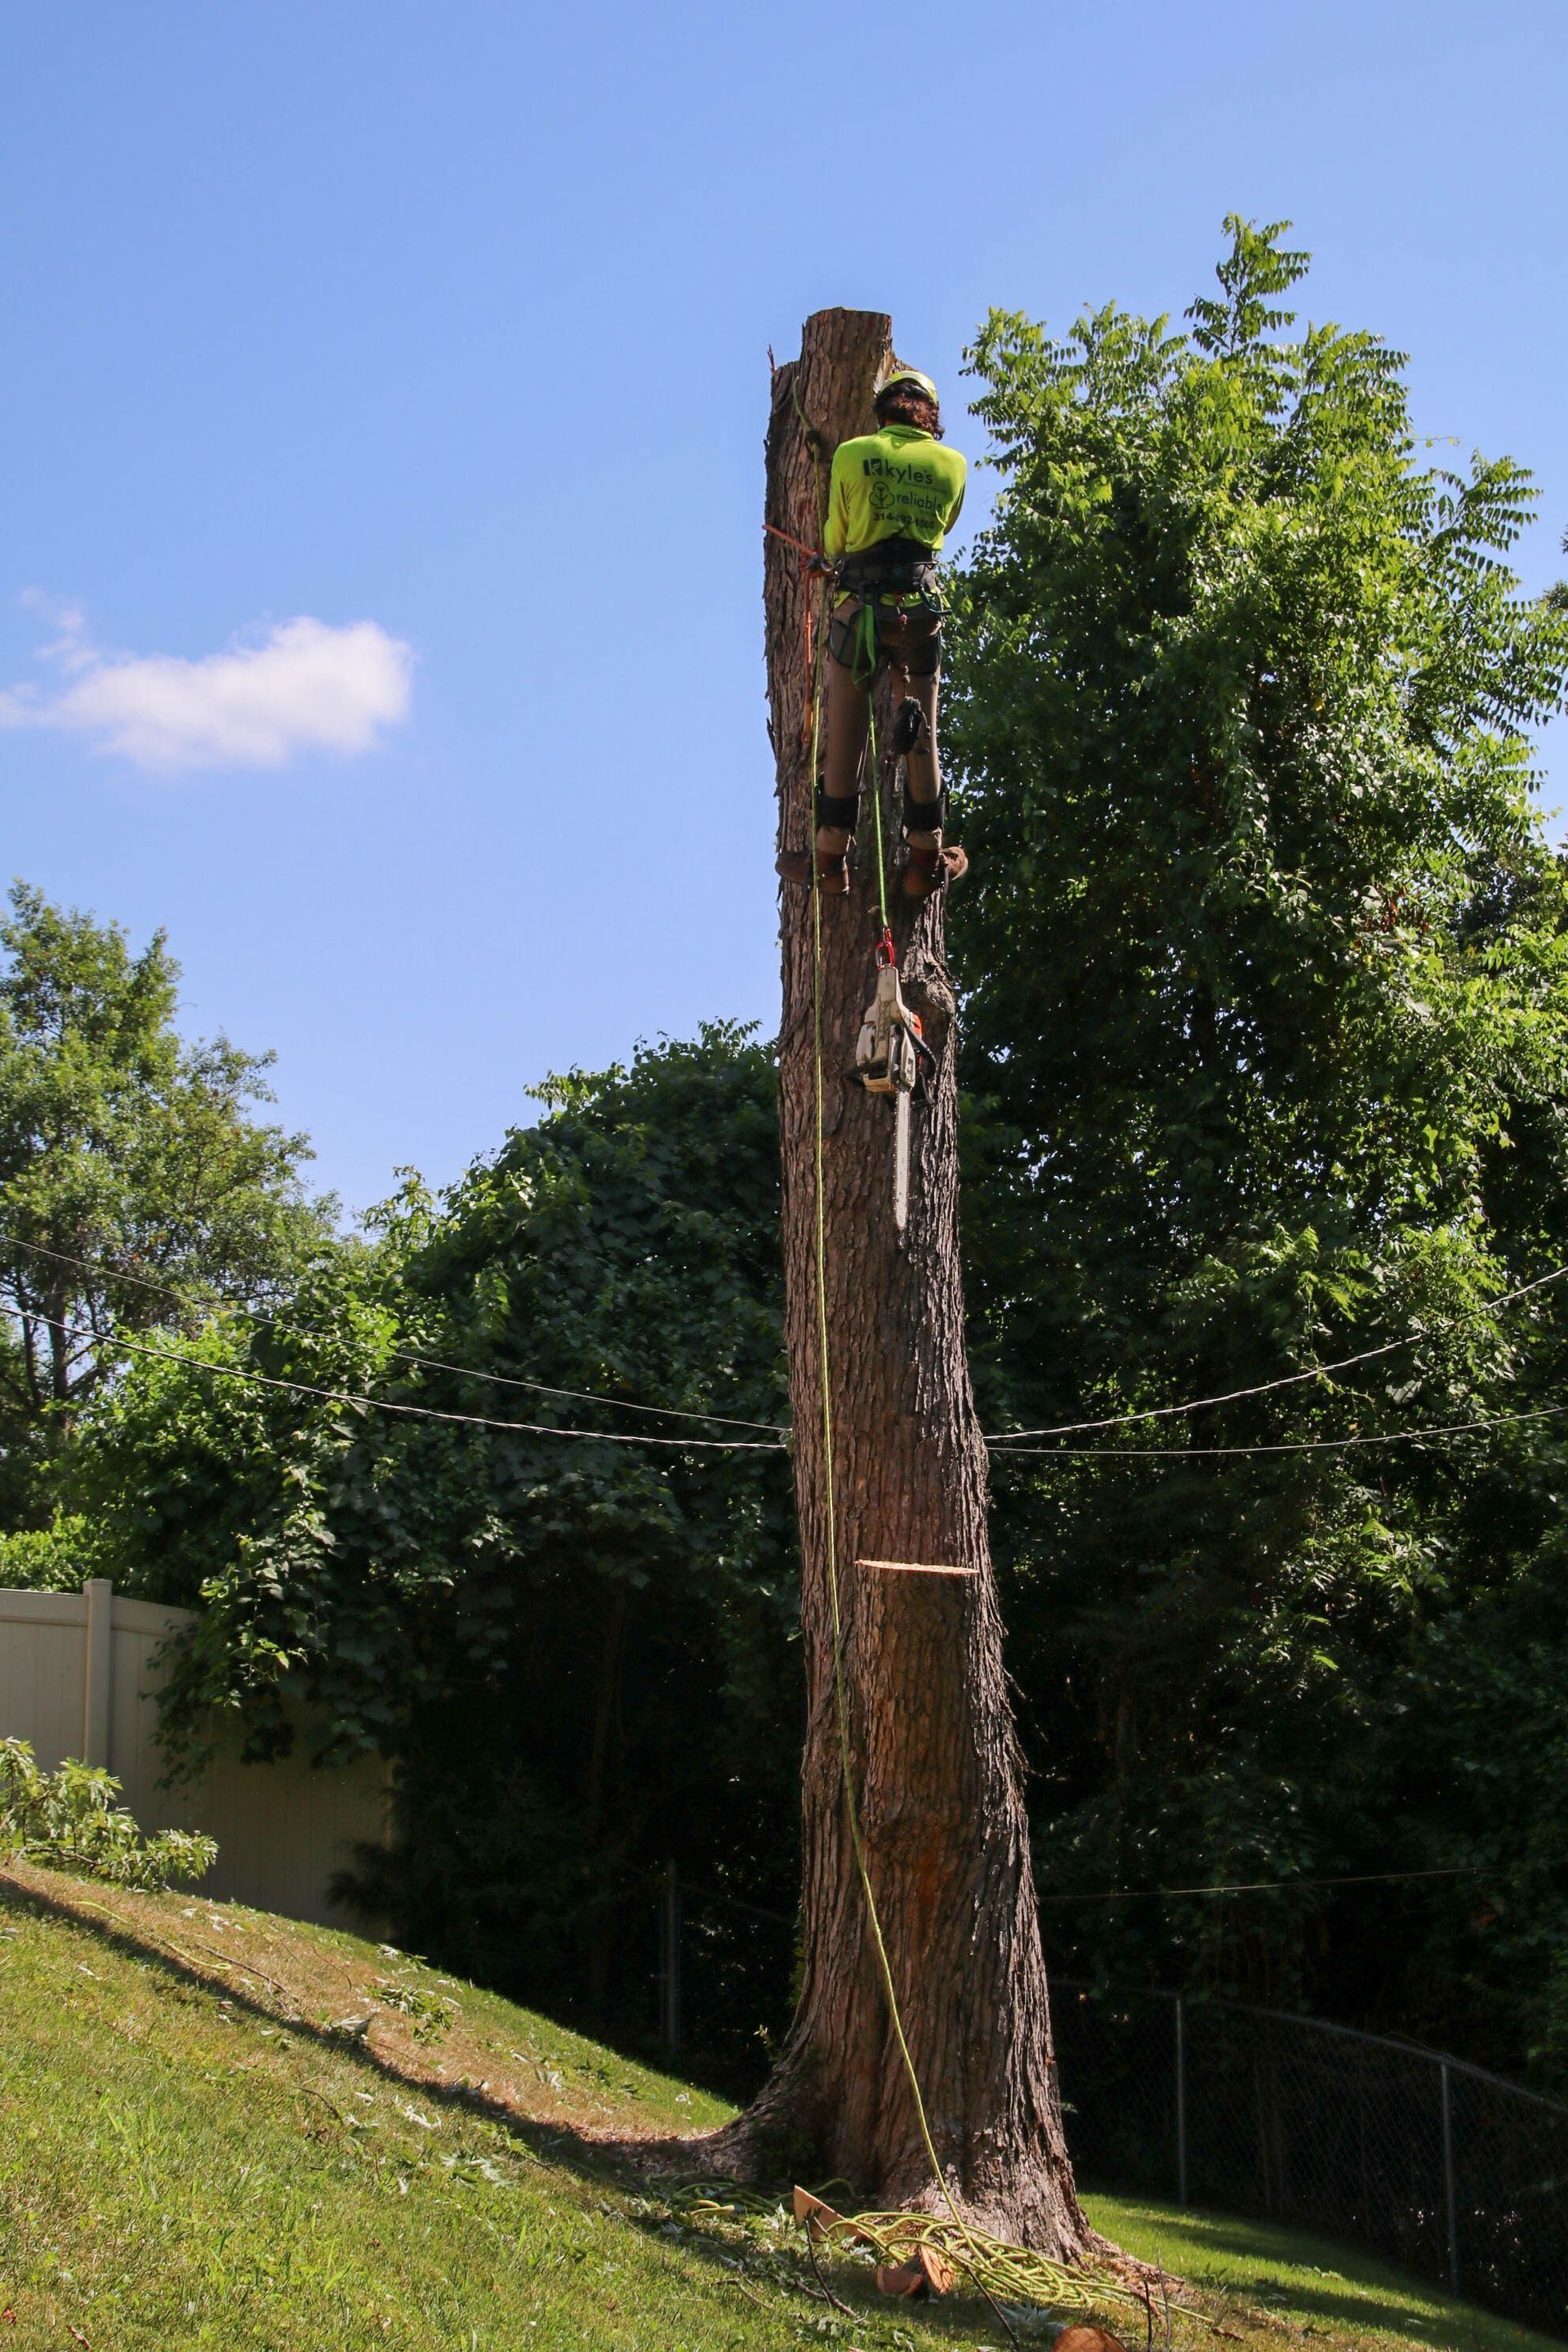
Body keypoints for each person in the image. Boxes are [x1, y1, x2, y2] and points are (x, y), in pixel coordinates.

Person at [777, 367, 969, 899]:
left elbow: (838, 534)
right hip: (919, 613)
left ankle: (830, 859)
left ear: (882, 409)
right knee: (921, 736)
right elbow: (942, 529)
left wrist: (840, 558)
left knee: (844, 738)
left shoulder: (852, 455)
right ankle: (925, 860)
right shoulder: (954, 464)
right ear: (930, 415)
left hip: (858, 612)